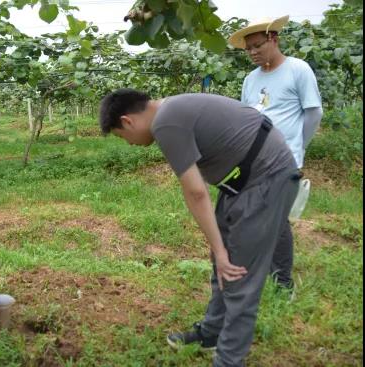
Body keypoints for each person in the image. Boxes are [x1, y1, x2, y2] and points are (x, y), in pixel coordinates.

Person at [99, 89, 301, 367]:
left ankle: (228, 360)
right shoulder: (170, 111)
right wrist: (218, 250)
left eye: (123, 137)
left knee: (238, 274)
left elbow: (196, 193)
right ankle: (212, 332)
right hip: (242, 182)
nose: (130, 144)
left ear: (128, 121)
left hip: (266, 177)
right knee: (224, 266)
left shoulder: (165, 123)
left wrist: (219, 249)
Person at [229, 16, 323, 292]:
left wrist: (297, 146)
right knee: (253, 216)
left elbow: (313, 113)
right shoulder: (250, 79)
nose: (252, 53)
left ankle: (283, 285)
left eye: (257, 46)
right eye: (248, 49)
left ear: (274, 39)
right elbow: (246, 117)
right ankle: (257, 272)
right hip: (253, 160)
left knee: (277, 221)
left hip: (284, 161)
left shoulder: (298, 70)